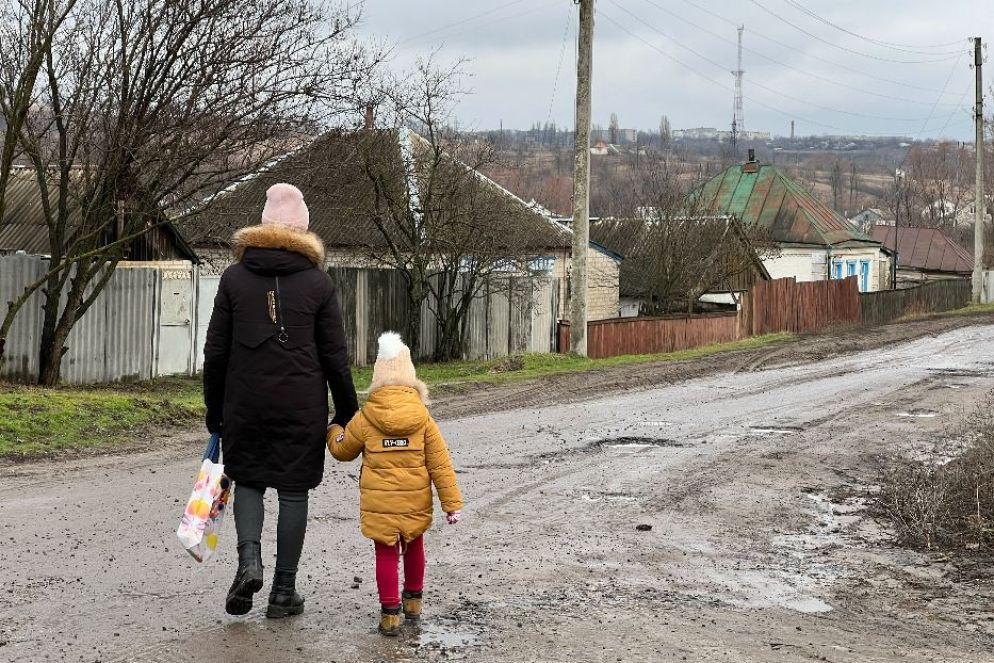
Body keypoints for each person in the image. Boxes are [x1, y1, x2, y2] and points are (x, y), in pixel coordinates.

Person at [203, 182, 359, 618]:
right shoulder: (319, 283)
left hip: (244, 403)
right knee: (293, 491)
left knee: (248, 479)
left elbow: (215, 352)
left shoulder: (233, 279)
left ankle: (248, 562)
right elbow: (335, 357)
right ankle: (283, 592)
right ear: (303, 231)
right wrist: (348, 412)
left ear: (263, 226)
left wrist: (215, 412)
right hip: (301, 406)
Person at [327, 331, 463, 636]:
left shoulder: (364, 419)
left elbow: (343, 450)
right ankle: (413, 601)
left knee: (385, 553)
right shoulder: (424, 419)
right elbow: (440, 464)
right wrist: (451, 504)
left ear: (376, 376)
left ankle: (390, 613)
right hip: (415, 502)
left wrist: (333, 429)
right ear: (411, 377)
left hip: (381, 506)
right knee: (414, 544)